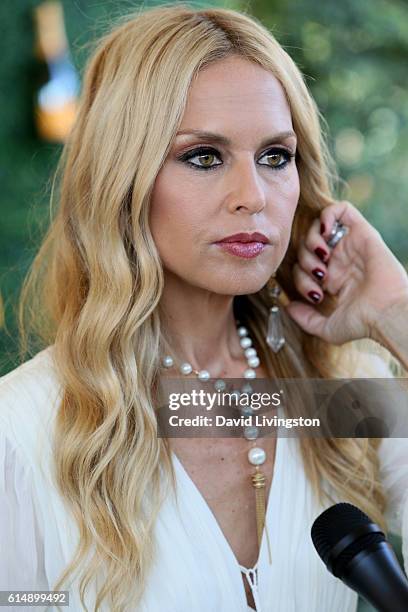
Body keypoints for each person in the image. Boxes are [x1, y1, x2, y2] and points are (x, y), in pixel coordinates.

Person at [0, 4, 407, 611]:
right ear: (123, 179)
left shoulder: (345, 392)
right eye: (203, 157)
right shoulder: (20, 431)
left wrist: (398, 313)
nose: (254, 198)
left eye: (275, 157)